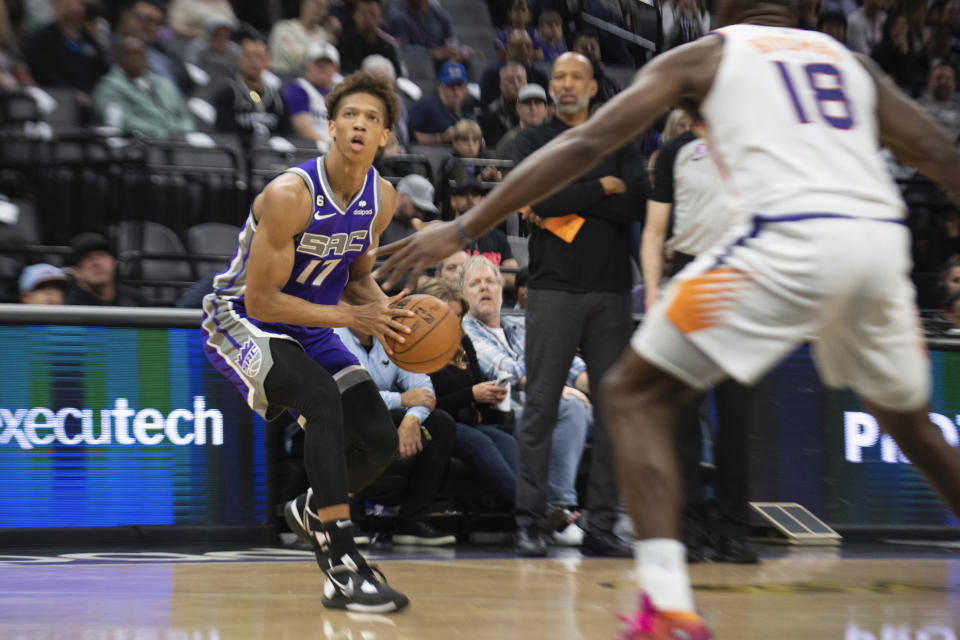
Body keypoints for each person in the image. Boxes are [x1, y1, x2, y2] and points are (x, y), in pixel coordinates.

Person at [371, 0, 960, 634]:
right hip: (878, 241)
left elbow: (589, 142)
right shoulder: (854, 64)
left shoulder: (710, 54)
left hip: (787, 240)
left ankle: (666, 604)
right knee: (908, 422)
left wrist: (462, 226)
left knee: (630, 391)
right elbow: (938, 150)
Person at [202, 71, 411, 612]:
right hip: (240, 320)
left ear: (385, 136)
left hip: (311, 324)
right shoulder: (291, 194)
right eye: (349, 115)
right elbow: (261, 301)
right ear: (331, 127)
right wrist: (347, 315)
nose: (359, 125)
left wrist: (384, 312)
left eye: (372, 118)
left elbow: (359, 275)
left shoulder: (381, 199)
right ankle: (341, 559)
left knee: (380, 438)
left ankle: (312, 509)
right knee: (320, 400)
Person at [510, 51, 645, 558]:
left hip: (611, 292)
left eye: (576, 78)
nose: (566, 85)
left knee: (615, 413)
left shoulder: (619, 137)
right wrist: (600, 187)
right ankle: (529, 521)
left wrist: (570, 194)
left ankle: (603, 526)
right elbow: (538, 200)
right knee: (542, 406)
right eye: (559, 78)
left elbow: (635, 200)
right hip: (551, 289)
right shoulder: (534, 139)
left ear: (593, 87)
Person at [643, 119, 758, 564]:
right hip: (686, 279)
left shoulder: (755, 146)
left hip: (742, 281)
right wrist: (653, 290)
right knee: (682, 421)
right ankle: (685, 528)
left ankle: (732, 530)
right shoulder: (675, 151)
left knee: (736, 417)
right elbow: (654, 230)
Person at [460, 255, 592, 549]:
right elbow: (505, 371)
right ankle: (561, 510)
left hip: (552, 404)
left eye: (490, 281)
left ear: (500, 289)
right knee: (570, 408)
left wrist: (606, 388)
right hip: (509, 416)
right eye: (475, 283)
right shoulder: (466, 331)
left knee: (615, 415)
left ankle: (618, 515)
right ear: (463, 293)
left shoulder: (521, 327)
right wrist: (552, 383)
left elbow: (570, 365)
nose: (485, 288)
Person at [334, 325, 458, 545]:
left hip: (381, 417)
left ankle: (412, 519)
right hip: (335, 418)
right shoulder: (333, 336)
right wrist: (401, 399)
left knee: (441, 424)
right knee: (347, 419)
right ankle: (343, 521)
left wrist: (411, 420)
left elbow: (425, 392)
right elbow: (347, 396)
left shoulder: (392, 338)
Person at [420, 278, 518, 504]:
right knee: (480, 442)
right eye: (448, 316)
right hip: (435, 423)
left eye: (458, 316)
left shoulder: (462, 341)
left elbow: (477, 381)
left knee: (507, 440)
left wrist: (491, 393)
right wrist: (472, 394)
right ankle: (534, 510)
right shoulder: (417, 348)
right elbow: (428, 402)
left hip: (467, 421)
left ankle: (531, 505)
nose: (455, 323)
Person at [93, 36, 195, 139]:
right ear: (119, 58)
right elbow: (122, 121)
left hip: (178, 142)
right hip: (141, 145)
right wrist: (162, 134)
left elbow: (185, 116)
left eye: (139, 54)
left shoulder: (165, 84)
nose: (135, 59)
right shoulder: (108, 87)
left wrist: (183, 132)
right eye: (129, 54)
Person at [213, 35, 290, 148]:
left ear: (267, 61)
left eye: (258, 56)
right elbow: (226, 136)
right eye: (248, 56)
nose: (253, 61)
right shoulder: (228, 94)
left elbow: (287, 134)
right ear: (239, 60)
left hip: (272, 156)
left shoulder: (278, 98)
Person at [282, 41, 341, 149]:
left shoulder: (343, 93)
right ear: (308, 66)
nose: (323, 68)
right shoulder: (299, 89)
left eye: (328, 64)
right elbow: (303, 131)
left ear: (336, 68)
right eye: (318, 63)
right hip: (311, 151)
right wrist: (334, 149)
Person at [64, 232, 146, 307]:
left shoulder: (136, 300)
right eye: (88, 259)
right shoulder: (71, 307)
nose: (96, 263)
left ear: (113, 262)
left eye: (101, 255)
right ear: (76, 271)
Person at [408, 61, 478, 145]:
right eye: (451, 86)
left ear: (466, 88)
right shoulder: (426, 106)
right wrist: (440, 138)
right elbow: (409, 135)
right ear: (440, 87)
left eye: (460, 86)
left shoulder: (468, 108)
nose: (456, 92)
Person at [269, 0, 334, 75]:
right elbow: (294, 58)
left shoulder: (323, 34)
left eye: (324, 7)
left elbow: (329, 63)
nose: (320, 10)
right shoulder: (283, 28)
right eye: (317, 4)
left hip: (312, 82)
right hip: (282, 77)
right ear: (303, 5)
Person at [338, 0, 401, 76]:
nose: (368, 18)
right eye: (363, 14)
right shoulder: (344, 44)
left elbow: (398, 74)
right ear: (355, 16)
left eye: (372, 14)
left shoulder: (387, 46)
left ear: (380, 18)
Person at [379, 174, 438, 246]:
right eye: (416, 206)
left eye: (423, 210)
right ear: (401, 196)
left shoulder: (418, 229)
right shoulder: (378, 223)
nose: (420, 214)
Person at [496, 83, 549, 162]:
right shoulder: (508, 143)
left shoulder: (556, 138)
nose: (533, 108)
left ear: (546, 109)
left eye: (538, 103)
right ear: (518, 109)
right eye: (527, 103)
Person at [479, 62, 526, 147]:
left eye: (519, 79)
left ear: (526, 83)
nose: (516, 84)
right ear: (501, 85)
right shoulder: (491, 115)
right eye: (510, 80)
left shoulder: (536, 109)